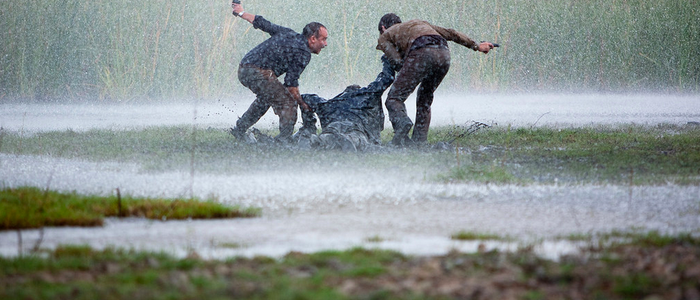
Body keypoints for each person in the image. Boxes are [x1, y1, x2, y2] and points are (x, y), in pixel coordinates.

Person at [375, 13, 495, 146]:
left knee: (394, 98)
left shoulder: (385, 36)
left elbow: (397, 62)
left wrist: (404, 71)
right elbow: (452, 33)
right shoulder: (418, 23)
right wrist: (477, 46)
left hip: (422, 52)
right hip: (444, 55)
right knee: (425, 98)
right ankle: (419, 142)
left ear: (383, 27)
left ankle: (402, 127)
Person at [229, 2, 328, 143]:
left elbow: (263, 23)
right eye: (323, 39)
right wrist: (302, 104)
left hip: (244, 68)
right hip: (257, 71)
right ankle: (284, 141)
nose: (325, 44)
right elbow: (290, 84)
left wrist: (240, 12)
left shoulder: (288, 33)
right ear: (313, 38)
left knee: (265, 100)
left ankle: (239, 130)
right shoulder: (303, 52)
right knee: (288, 102)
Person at [298, 55, 395, 151]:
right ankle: (349, 140)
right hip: (355, 127)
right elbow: (387, 78)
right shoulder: (367, 95)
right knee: (357, 138)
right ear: (358, 90)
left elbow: (304, 98)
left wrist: (309, 125)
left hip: (334, 125)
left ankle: (314, 139)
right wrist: (387, 59)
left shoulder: (329, 104)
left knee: (327, 136)